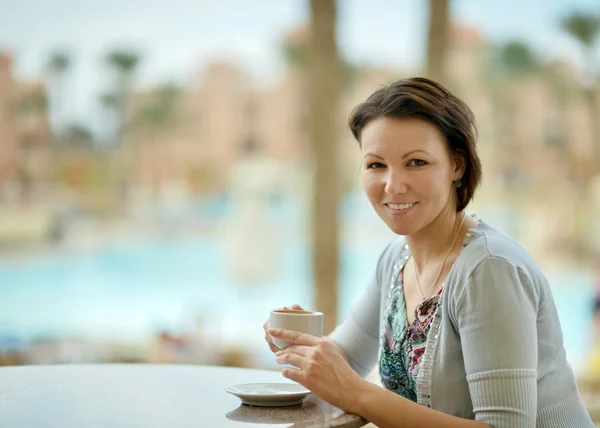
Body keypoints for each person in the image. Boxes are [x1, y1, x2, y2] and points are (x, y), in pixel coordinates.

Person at [263, 78, 593, 427]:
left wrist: (360, 394)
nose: (393, 185)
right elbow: (341, 362)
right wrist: (295, 343)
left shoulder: (488, 269)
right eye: (376, 164)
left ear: (457, 165)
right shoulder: (396, 259)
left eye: (416, 162)